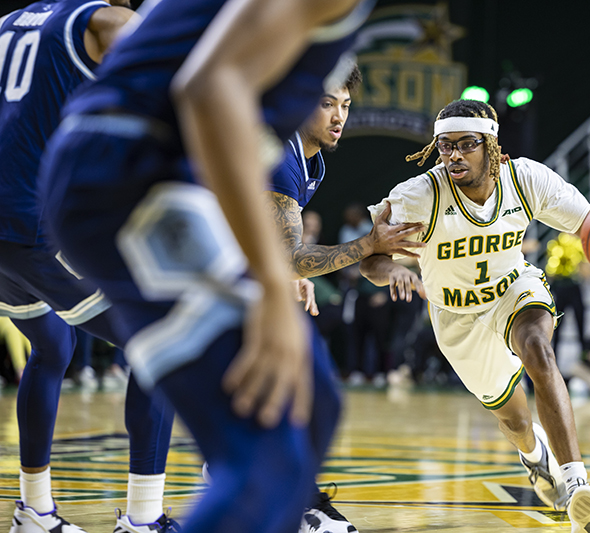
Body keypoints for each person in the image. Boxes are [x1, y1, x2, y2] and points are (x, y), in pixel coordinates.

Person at [37, 1, 373, 533]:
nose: (336, 113)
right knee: (272, 442)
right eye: (328, 102)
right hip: (132, 168)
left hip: (133, 169)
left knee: (313, 403)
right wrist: (268, 282)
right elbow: (209, 88)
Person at [359, 99, 590, 533]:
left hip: (512, 291)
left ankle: (576, 486)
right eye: (445, 146)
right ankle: (535, 457)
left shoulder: (527, 179)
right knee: (516, 422)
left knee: (539, 351)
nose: (454, 156)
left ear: (493, 148)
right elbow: (369, 257)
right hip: (457, 318)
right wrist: (388, 269)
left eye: (466, 144)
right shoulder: (419, 196)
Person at [0, 2, 179, 532]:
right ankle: (143, 520)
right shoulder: (105, 22)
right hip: (33, 225)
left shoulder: (7, 21)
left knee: (53, 345)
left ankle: (35, 511)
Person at [263, 63, 423, 533]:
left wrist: (283, 271)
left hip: (231, 269)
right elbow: (291, 253)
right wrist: (368, 246)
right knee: (310, 393)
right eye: (327, 103)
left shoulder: (313, 161)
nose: (339, 117)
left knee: (303, 394)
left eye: (346, 106)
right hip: (186, 263)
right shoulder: (280, 153)